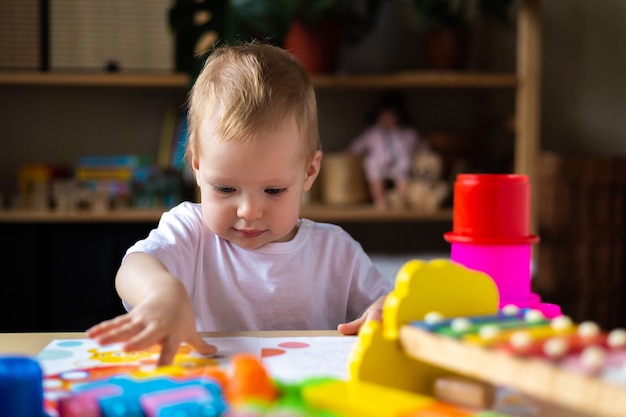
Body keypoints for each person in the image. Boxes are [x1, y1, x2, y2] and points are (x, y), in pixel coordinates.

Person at [87, 43, 393, 366]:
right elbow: (133, 266)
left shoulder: (336, 253)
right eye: (226, 188)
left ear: (309, 172)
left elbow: (391, 303)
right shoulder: (192, 232)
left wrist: (386, 310)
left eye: (273, 190)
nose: (248, 211)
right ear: (197, 168)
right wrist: (161, 293)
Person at [348, 93, 424, 210]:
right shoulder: (373, 133)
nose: (388, 119)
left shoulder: (407, 133)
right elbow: (357, 146)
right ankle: (380, 199)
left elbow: (420, 146)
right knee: (374, 173)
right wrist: (350, 154)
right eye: (384, 115)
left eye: (391, 115)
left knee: (402, 176)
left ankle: (401, 199)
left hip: (399, 163)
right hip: (379, 163)